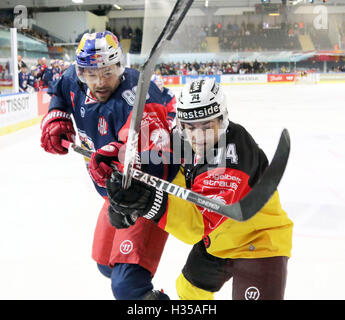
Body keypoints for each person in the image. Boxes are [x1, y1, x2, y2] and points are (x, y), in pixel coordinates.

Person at [106, 78, 294, 300]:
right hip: (217, 243)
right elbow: (160, 171)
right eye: (190, 127)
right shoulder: (180, 138)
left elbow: (196, 226)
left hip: (258, 242)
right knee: (188, 291)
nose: (198, 136)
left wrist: (147, 202)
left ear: (222, 120)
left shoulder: (231, 155)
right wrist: (127, 199)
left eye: (207, 126)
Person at [40, 31, 177, 300]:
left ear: (119, 66)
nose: (99, 81)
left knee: (128, 287)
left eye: (107, 72)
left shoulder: (137, 96)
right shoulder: (73, 79)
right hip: (113, 193)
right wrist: (57, 117)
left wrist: (124, 156)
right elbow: (59, 93)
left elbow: (158, 154)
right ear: (80, 72)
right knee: (105, 263)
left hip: (142, 192)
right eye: (90, 74)